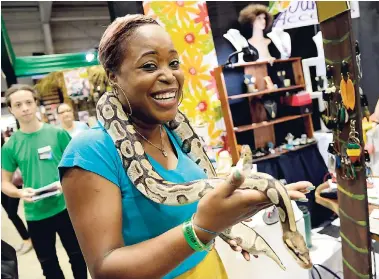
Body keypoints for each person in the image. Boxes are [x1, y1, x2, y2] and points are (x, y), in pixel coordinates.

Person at [59, 14, 312, 279]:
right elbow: (105, 269)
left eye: (174, 62)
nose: (168, 75)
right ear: (113, 77)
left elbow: (194, 204)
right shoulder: (90, 150)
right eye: (149, 66)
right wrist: (201, 229)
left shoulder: (173, 131)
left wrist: (231, 215)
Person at [1, 84, 87, 279]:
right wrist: (20, 193)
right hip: (36, 215)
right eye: (18, 104)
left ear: (36, 104)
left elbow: (76, 166)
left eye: (29, 102)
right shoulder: (10, 146)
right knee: (48, 265)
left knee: (78, 255)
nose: (25, 108)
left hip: (65, 208)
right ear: (12, 109)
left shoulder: (57, 134)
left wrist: (64, 182)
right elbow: (4, 183)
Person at [1, 133, 33, 255]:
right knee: (10, 214)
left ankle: (28, 239)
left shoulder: (6, 149)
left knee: (12, 213)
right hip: (2, 187)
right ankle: (26, 238)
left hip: (13, 184)